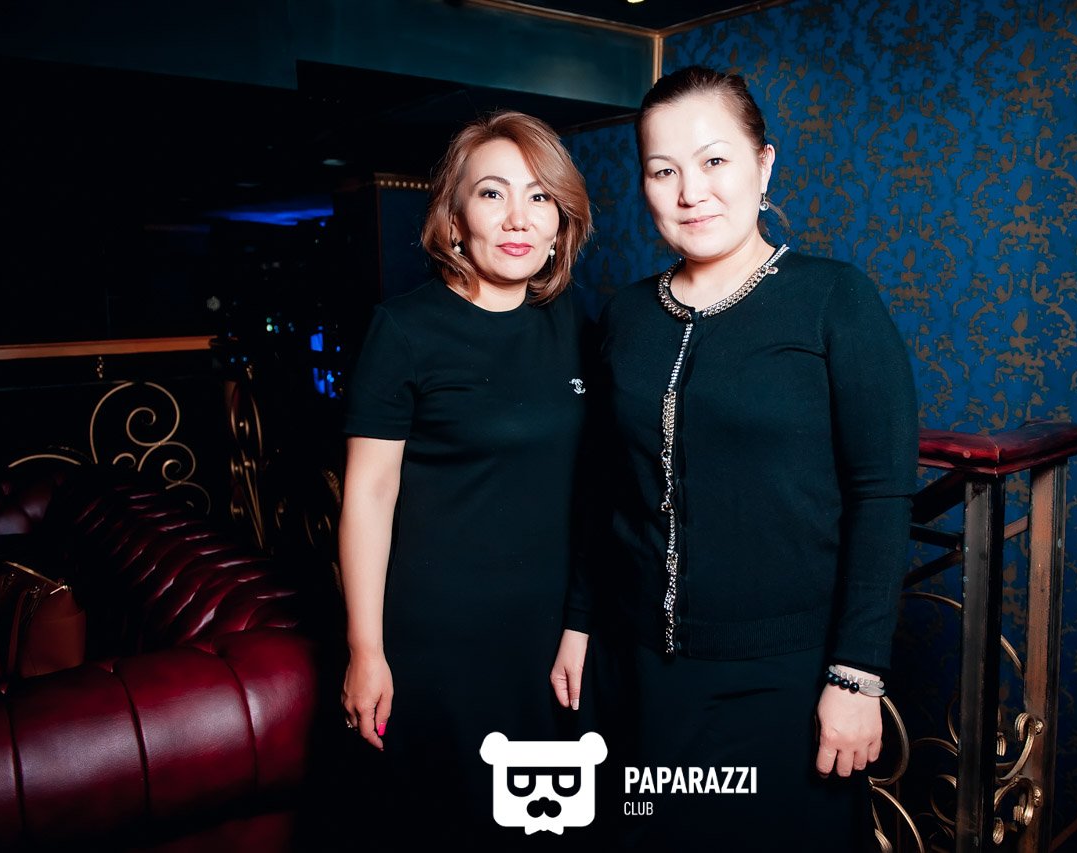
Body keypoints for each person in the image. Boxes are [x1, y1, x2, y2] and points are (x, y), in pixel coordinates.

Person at [552, 66, 918, 847]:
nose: (691, 191)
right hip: (639, 671)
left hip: (784, 680)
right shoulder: (625, 315)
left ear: (764, 164)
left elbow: (883, 493)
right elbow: (603, 486)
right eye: (663, 171)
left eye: (714, 160)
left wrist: (856, 674)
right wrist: (579, 623)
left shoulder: (835, 299)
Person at [339, 110, 593, 841]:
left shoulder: (580, 324)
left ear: (560, 222)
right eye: (492, 193)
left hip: (552, 638)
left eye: (539, 196)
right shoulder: (404, 329)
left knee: (551, 825)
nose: (518, 217)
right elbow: (368, 496)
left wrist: (581, 622)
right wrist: (365, 650)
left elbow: (597, 488)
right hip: (439, 638)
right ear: (454, 219)